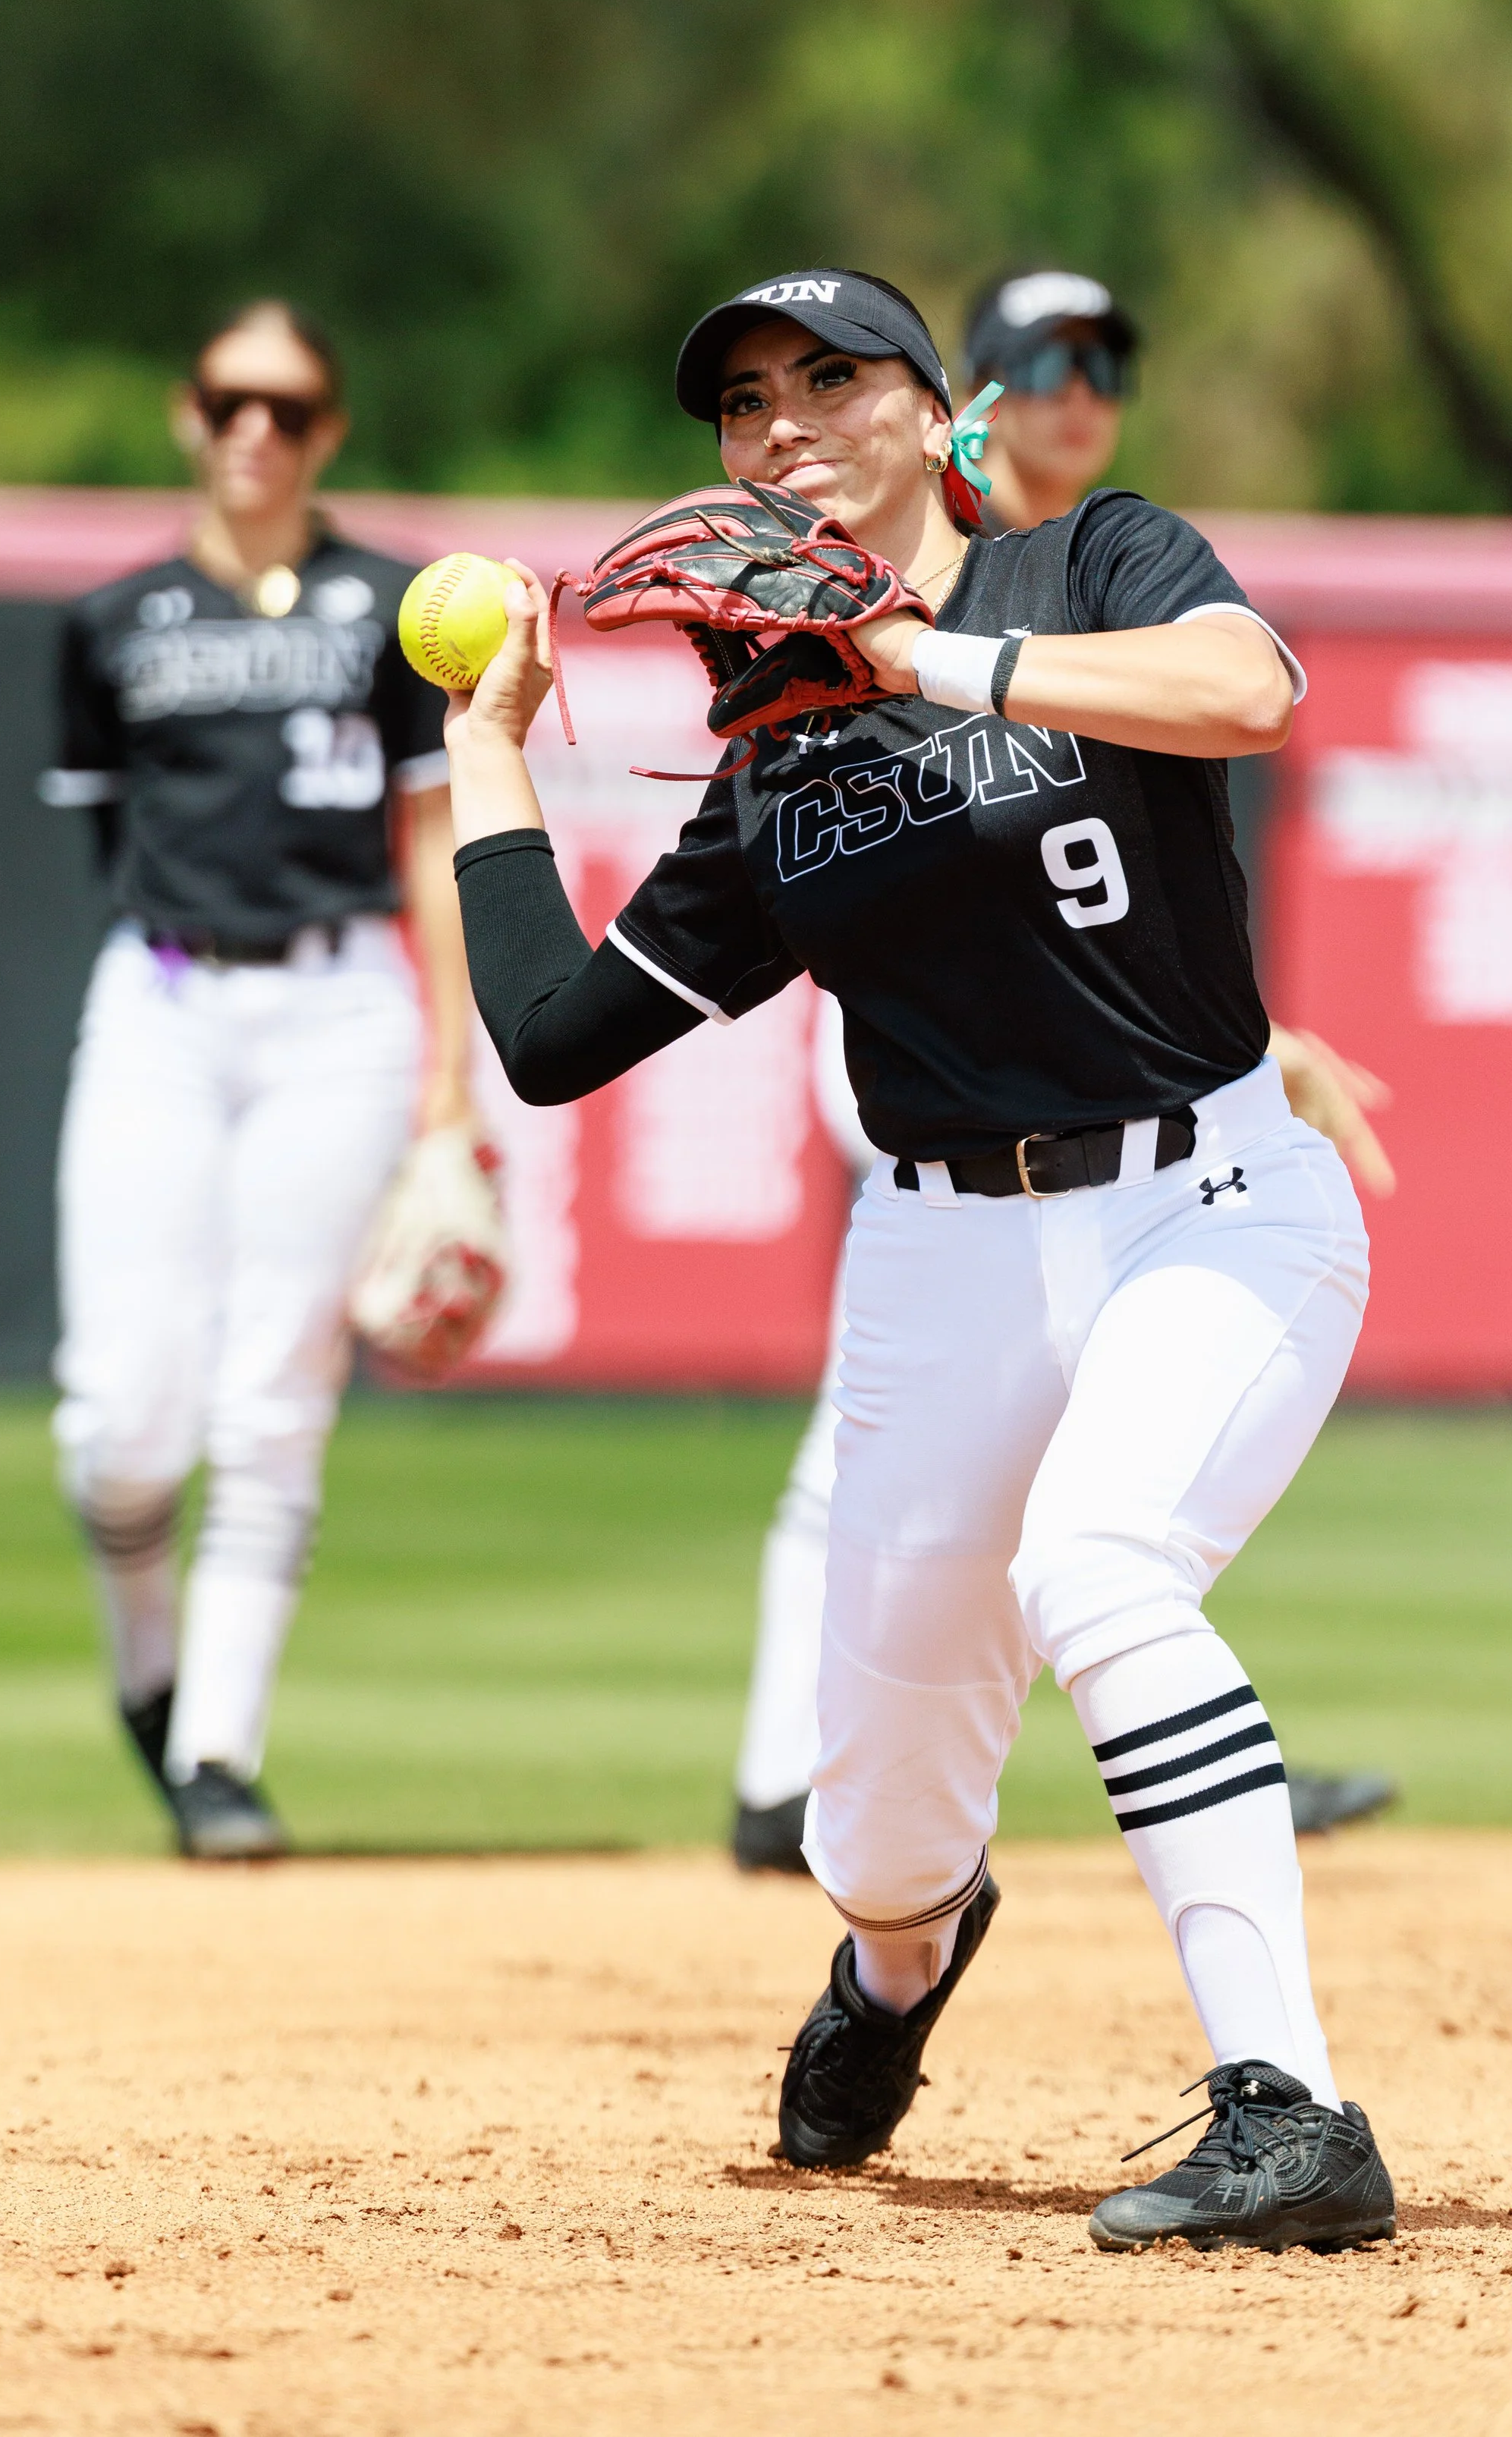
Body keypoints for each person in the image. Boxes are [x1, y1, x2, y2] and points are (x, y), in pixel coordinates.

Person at [444, 267, 1396, 2252]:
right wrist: (489, 746)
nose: (778, 420)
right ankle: (899, 1965)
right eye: (738, 401)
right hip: (941, 1262)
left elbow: (1250, 691)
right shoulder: (780, 765)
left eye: (828, 375)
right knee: (870, 1832)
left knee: (1101, 1560)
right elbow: (548, 1039)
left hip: (1206, 1203)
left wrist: (925, 663)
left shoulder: (1087, 560)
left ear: (937, 408)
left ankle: (1287, 2105)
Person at [731, 266, 1396, 1875]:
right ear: (970, 390)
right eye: (1035, 355)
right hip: (920, 1039)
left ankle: (1125, 1704)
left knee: (1092, 1506)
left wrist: (1262, 1044)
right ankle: (801, 1782)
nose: (1070, 385)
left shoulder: (1099, 551)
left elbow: (1152, 823)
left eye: (1102, 355)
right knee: (890, 1429)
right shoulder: (893, 555)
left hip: (1119, 1068)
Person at [41, 300, 473, 1860]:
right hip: (163, 995)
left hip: (339, 999)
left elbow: (432, 851)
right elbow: (109, 841)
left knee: (273, 1390)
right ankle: (149, 1684)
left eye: (288, 409)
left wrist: (451, 1097)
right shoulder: (111, 624)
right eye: (232, 400)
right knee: (121, 1413)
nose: (255, 431)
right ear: (188, 413)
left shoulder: (395, 608)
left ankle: (220, 1753)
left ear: (328, 434)